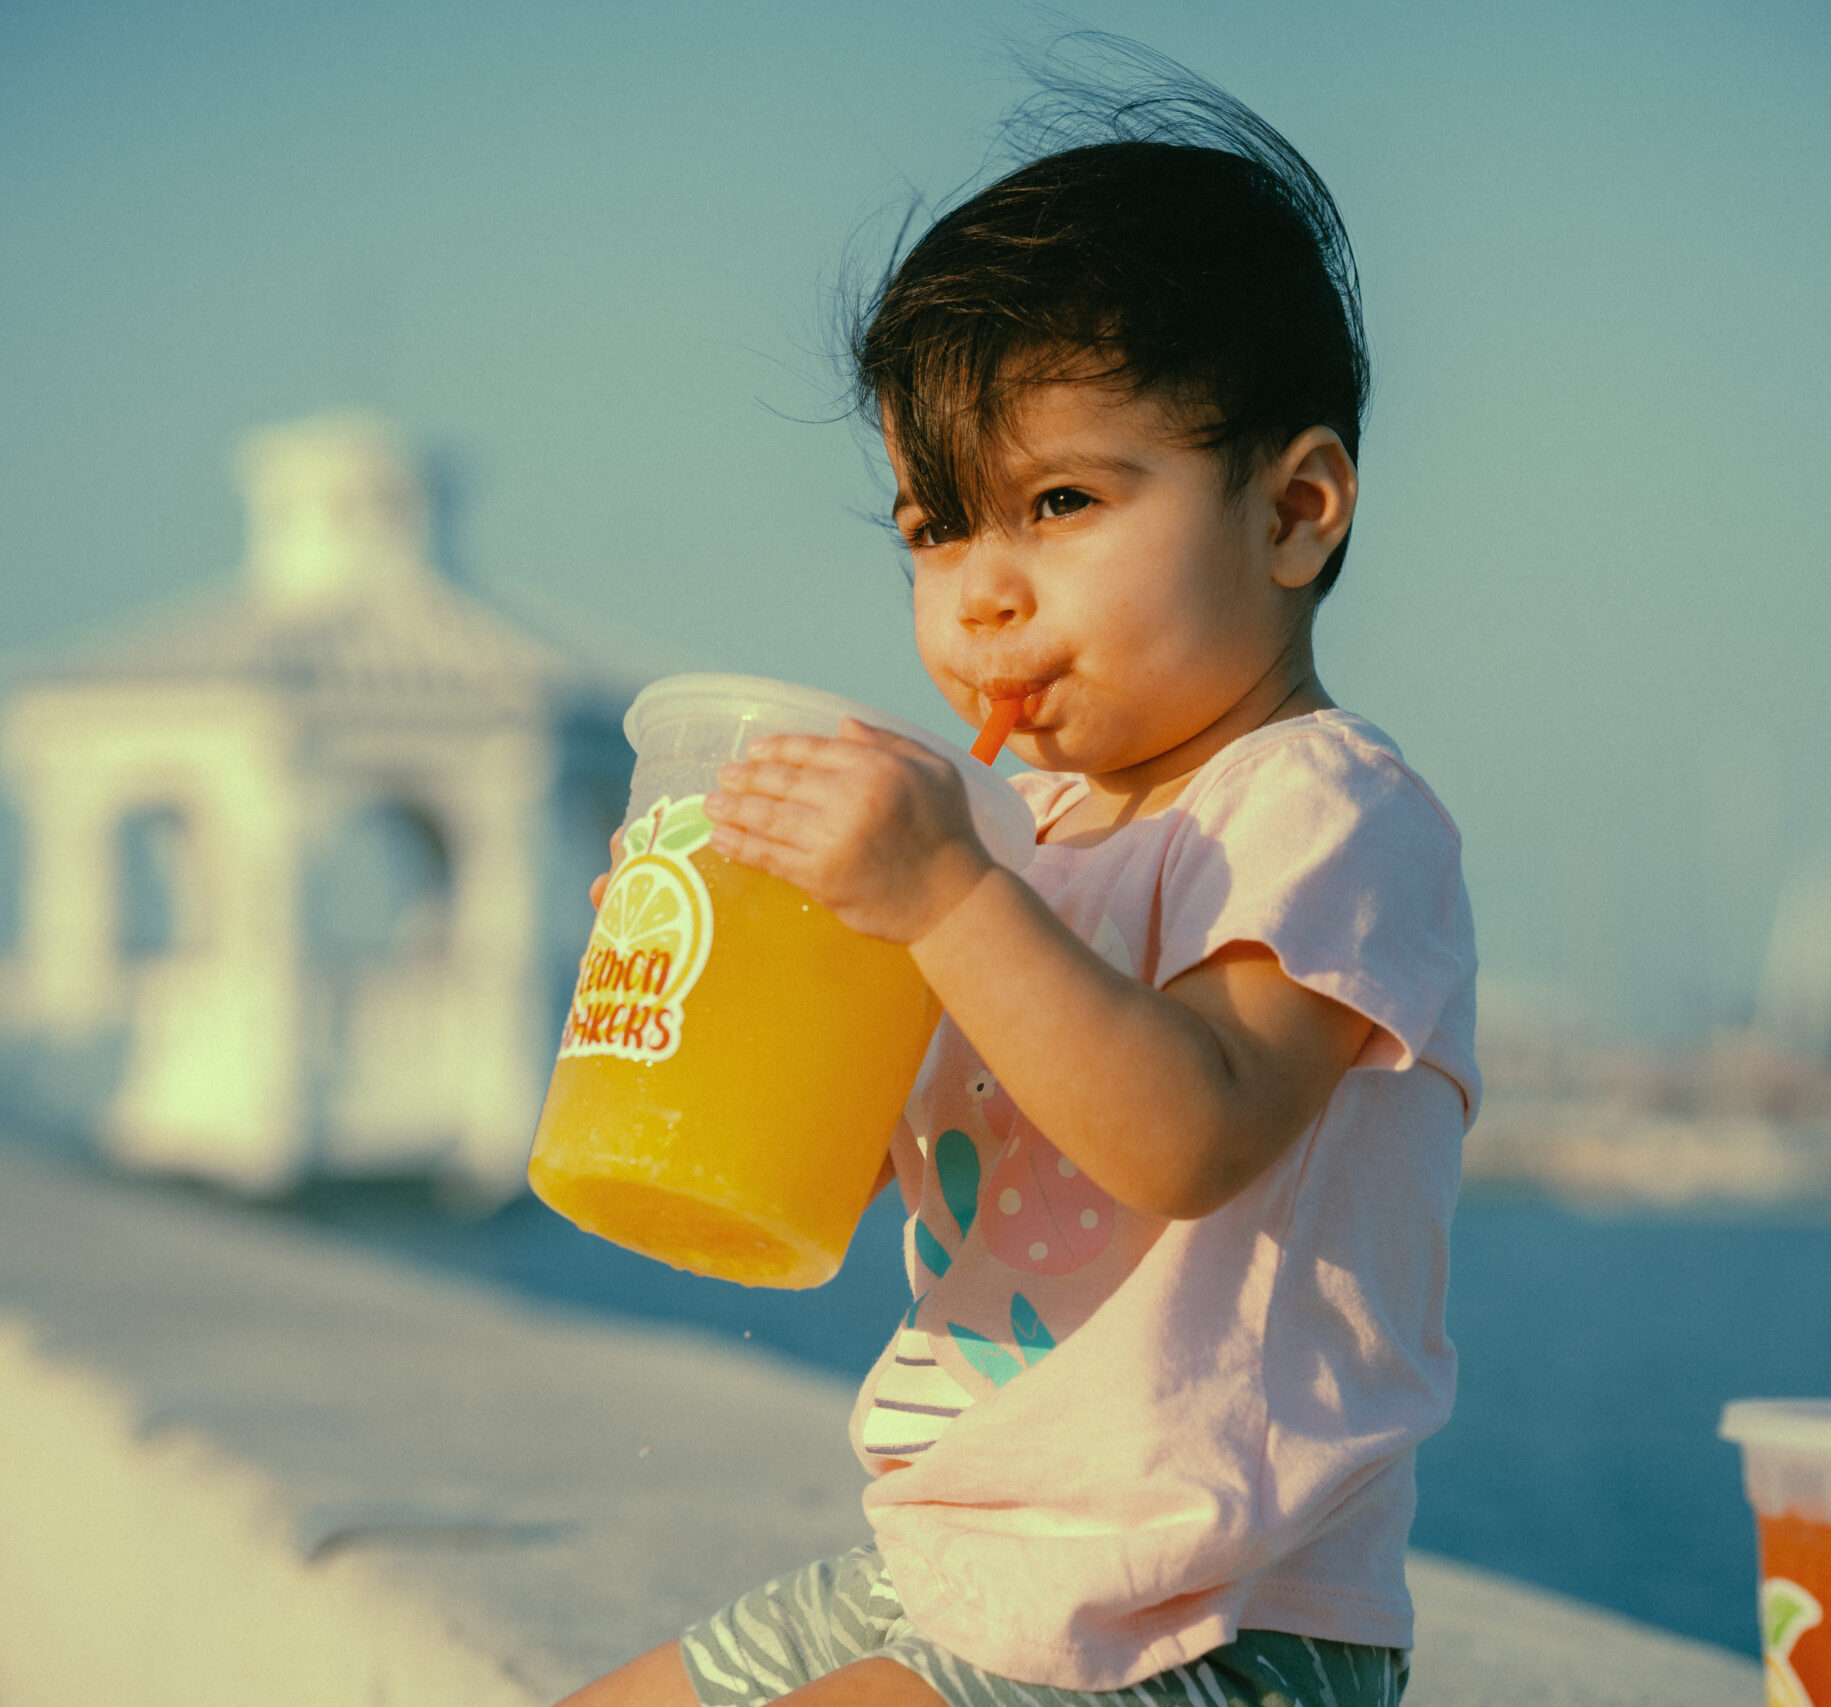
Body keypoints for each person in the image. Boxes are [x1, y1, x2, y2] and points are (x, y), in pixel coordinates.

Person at [565, 44, 1476, 1707]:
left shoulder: (1331, 814)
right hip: (959, 1560)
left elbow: (1190, 1132)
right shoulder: (1014, 836)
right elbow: (828, 1177)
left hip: (1206, 1618)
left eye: (1061, 502)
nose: (978, 595)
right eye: (933, 528)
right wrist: (722, 973)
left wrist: (939, 902)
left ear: (1296, 511)